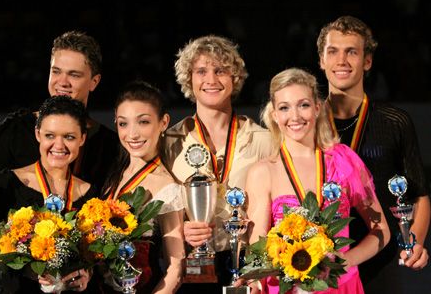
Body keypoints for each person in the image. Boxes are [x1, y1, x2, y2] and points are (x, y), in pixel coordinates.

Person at [245, 68, 390, 293]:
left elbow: (381, 229)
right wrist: (253, 281)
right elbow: (257, 245)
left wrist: (345, 260)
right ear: (274, 115)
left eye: (303, 105)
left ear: (317, 107)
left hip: (342, 286)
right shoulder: (263, 172)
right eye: (284, 107)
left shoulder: (345, 160)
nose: (295, 116)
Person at [316, 16, 430, 293]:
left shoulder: (395, 122)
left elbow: (419, 194)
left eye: (351, 52)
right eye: (333, 51)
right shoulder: (307, 123)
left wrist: (414, 242)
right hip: (322, 259)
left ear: (367, 61)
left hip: (383, 256)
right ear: (321, 60)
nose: (341, 60)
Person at [164, 35, 272, 291]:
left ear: (235, 78)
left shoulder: (263, 139)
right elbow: (163, 204)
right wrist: (181, 229)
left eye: (220, 71)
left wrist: (259, 271)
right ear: (189, 78)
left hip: (249, 266)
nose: (211, 80)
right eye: (201, 71)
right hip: (194, 264)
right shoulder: (170, 141)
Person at [0, 95, 98, 293]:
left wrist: (86, 274)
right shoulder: (6, 183)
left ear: (82, 138)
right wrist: (29, 275)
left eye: (69, 137)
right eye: (50, 135)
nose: (59, 145)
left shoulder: (91, 195)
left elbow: (93, 256)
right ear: (37, 134)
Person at [0, 30, 118, 191]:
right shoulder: (16, 130)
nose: (62, 82)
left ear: (94, 82)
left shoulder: (108, 145)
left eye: (74, 75)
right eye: (56, 71)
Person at [102, 81, 185, 293]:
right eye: (123, 124)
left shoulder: (166, 186)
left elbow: (176, 267)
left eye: (143, 122)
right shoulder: (113, 174)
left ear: (163, 122)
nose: (132, 134)